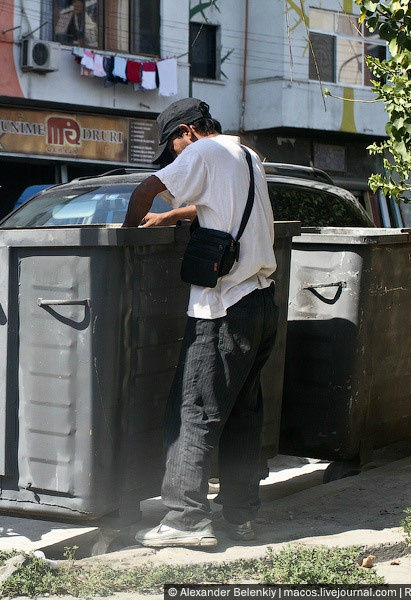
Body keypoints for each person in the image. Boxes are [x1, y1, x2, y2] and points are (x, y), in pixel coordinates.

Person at [122, 98, 278, 548]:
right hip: (261, 301)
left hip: (224, 307)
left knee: (195, 409)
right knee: (242, 414)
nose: (175, 158)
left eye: (173, 146)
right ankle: (241, 516)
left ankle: (185, 519)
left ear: (188, 131)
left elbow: (142, 192)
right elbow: (217, 206)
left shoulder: (202, 152)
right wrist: (175, 214)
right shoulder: (245, 155)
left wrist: (128, 236)